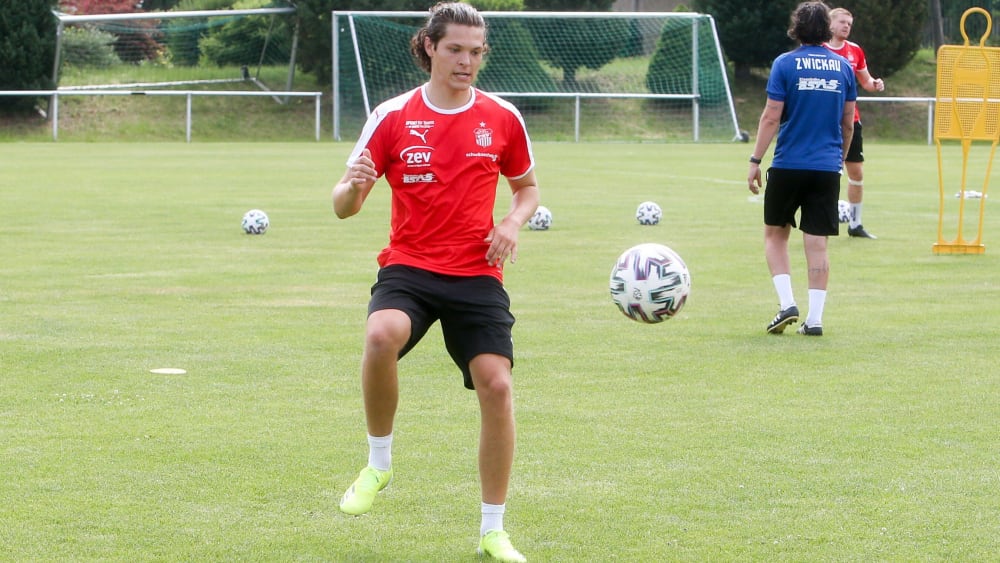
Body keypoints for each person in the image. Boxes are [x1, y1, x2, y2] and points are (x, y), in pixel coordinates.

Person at [331, 3, 538, 562]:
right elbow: (342, 206)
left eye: (476, 51)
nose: (467, 61)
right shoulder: (393, 115)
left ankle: (492, 530)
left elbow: (527, 190)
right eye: (455, 49)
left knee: (497, 385)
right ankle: (379, 465)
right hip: (411, 266)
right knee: (381, 335)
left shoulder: (502, 118)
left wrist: (512, 223)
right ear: (429, 46)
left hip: (476, 272)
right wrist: (353, 186)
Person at [747, 1, 856, 336]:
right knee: (817, 242)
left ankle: (786, 304)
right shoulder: (842, 67)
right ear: (826, 28)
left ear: (796, 27)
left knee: (776, 235)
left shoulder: (785, 64)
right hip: (826, 167)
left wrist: (755, 160)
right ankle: (815, 319)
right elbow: (848, 122)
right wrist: (839, 159)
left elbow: (770, 116)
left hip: (789, 164)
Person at [824, 7, 885, 239]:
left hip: (851, 120)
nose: (846, 26)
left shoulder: (855, 51)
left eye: (849, 23)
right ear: (830, 25)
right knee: (827, 170)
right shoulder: (819, 49)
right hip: (825, 120)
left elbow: (866, 81)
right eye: (842, 22)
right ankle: (823, 219)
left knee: (856, 172)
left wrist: (875, 84)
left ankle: (855, 224)